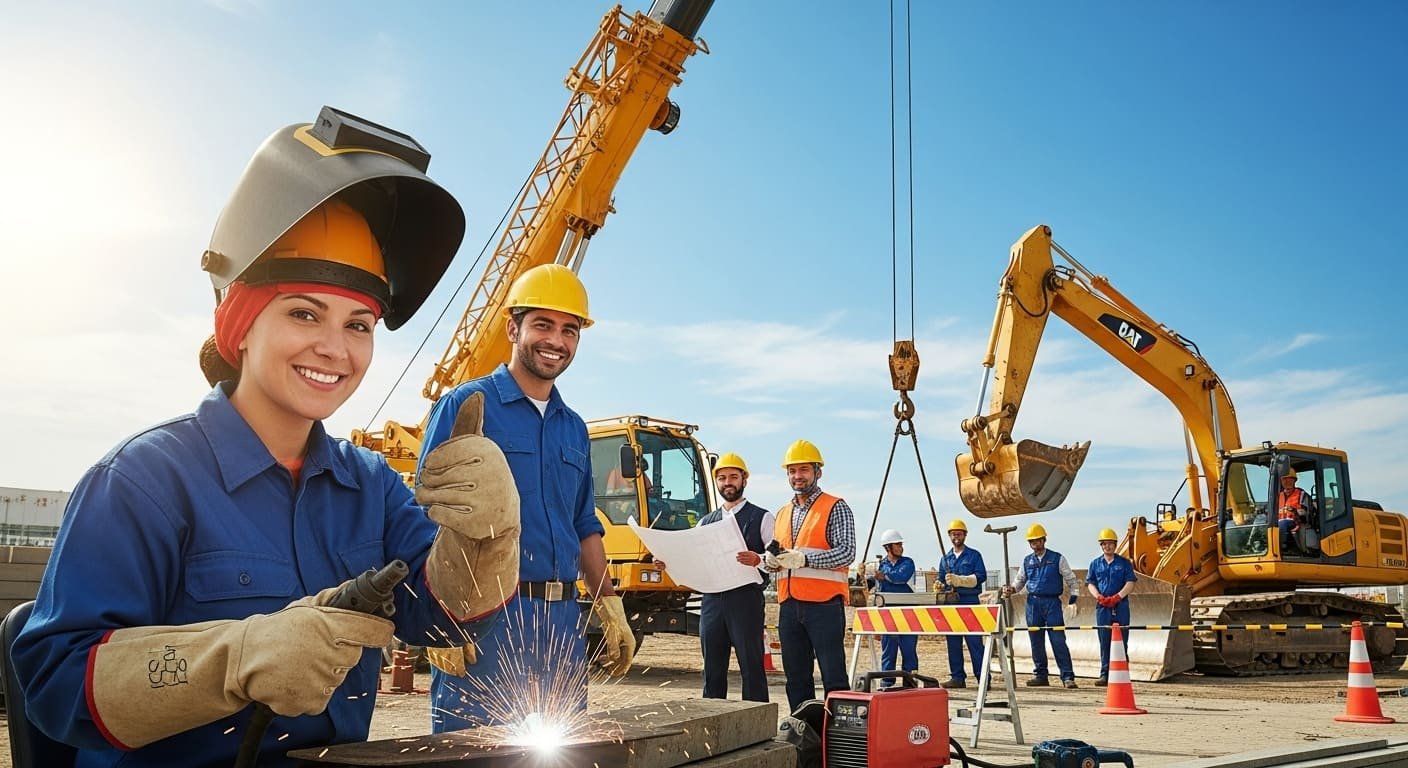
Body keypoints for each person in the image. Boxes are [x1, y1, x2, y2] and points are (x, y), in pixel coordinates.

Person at [11, 109, 515, 767]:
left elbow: (439, 619)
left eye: (359, 324)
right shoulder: (145, 481)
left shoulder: (370, 487)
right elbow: (52, 687)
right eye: (305, 312)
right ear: (241, 325)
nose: (335, 348)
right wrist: (235, 658)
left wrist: (487, 540)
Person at [418, 263, 636, 731]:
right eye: (542, 324)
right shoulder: (466, 405)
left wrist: (608, 605)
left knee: (561, 751)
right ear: (513, 328)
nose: (556, 340)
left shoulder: (574, 428)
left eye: (569, 330)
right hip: (484, 620)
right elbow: (425, 516)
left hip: (560, 622)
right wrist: (437, 617)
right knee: (473, 755)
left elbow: (584, 526)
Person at [666, 452, 773, 702]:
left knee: (751, 667)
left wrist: (758, 559)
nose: (728, 482)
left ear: (744, 480)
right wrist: (668, 561)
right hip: (712, 600)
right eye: (722, 478)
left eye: (733, 477)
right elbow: (693, 556)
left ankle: (755, 723)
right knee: (713, 669)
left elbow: (776, 558)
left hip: (745, 600)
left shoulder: (763, 518)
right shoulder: (705, 521)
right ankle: (712, 723)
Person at [766, 439, 856, 712]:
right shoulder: (782, 513)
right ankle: (803, 731)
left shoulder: (835, 506)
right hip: (789, 605)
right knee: (796, 677)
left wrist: (806, 559)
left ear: (818, 472)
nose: (797, 476)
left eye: (803, 470)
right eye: (792, 471)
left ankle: (838, 736)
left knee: (833, 676)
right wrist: (770, 562)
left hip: (824, 606)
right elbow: (782, 557)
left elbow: (847, 552)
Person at [1000, 523, 1081, 689]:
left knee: (1057, 639)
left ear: (1044, 540)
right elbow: (1020, 581)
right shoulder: (1027, 561)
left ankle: (1067, 676)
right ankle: (1040, 674)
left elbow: (1072, 580)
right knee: (1035, 640)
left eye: (1038, 541)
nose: (1035, 544)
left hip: (1052, 602)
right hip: (1033, 603)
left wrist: (1073, 600)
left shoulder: (1057, 558)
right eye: (1032, 541)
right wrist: (1011, 590)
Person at [937, 519, 987, 689]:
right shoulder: (945, 559)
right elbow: (941, 578)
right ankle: (957, 677)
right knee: (953, 642)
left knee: (974, 642)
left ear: (965, 535)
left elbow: (981, 576)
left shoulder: (974, 556)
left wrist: (961, 580)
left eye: (959, 533)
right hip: (951, 604)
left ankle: (983, 678)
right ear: (949, 536)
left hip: (969, 602)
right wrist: (940, 585)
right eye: (953, 533)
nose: (956, 536)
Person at [1085, 528, 1137, 686]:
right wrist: (1099, 597)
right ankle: (1105, 674)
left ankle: (1123, 673)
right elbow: (1090, 583)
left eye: (1110, 544)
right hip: (1102, 607)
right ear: (1101, 546)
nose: (1107, 547)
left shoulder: (1124, 563)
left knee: (1122, 639)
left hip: (1120, 605)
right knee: (1104, 639)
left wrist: (1117, 597)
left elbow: (1130, 582)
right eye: (1104, 544)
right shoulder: (1095, 564)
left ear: (1115, 545)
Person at [874, 528, 918, 688]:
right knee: (888, 649)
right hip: (887, 613)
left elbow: (901, 577)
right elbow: (878, 592)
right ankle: (887, 682)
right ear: (888, 547)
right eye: (898, 544)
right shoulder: (881, 565)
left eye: (901, 544)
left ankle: (909, 681)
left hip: (907, 611)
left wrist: (884, 576)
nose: (901, 547)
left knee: (908, 648)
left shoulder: (908, 563)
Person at [1277, 469, 1311, 552]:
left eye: (1290, 479)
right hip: (1278, 522)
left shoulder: (1301, 494)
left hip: (1295, 522)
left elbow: (1306, 512)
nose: (1287, 481)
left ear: (1294, 480)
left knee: (1283, 523)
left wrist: (1295, 511)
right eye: (1284, 479)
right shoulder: (1278, 496)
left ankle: (1282, 546)